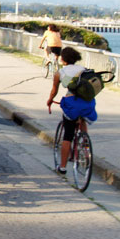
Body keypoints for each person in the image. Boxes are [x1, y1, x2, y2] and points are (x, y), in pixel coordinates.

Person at [46, 47, 97, 175]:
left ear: (62, 59)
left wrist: (50, 100)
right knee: (82, 120)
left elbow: (54, 90)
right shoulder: (84, 70)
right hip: (88, 104)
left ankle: (62, 167)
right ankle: (85, 146)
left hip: (72, 104)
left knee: (68, 135)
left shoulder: (60, 73)